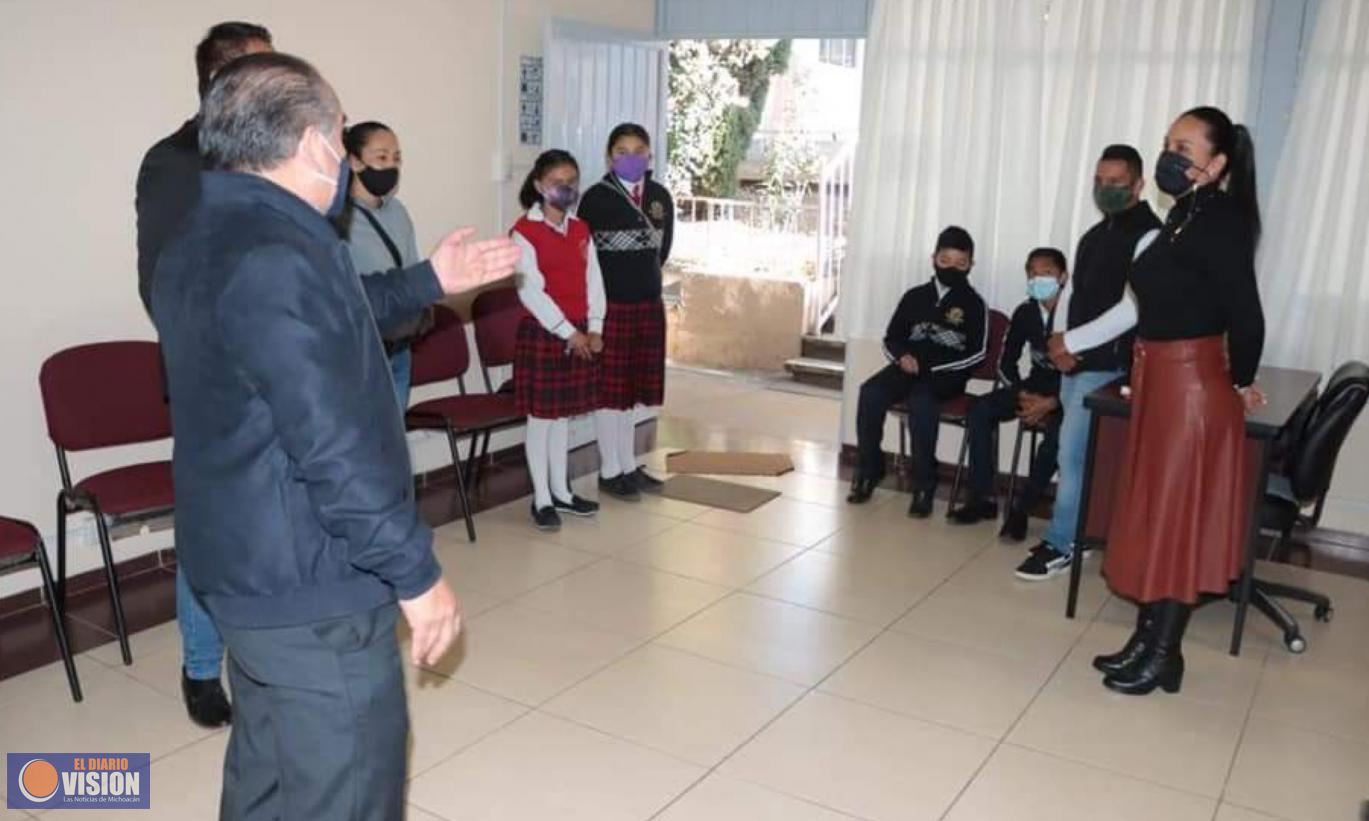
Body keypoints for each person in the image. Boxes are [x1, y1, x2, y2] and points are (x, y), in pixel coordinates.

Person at [152, 52, 520, 819]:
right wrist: (415, 574)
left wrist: (428, 280)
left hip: (245, 566)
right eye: (342, 134)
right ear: (312, 142)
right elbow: (332, 443)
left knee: (267, 772)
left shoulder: (207, 232)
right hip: (309, 582)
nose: (349, 157)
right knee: (346, 790)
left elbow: (329, 312)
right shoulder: (276, 253)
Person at [1083, 107, 1265, 696]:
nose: (1169, 155)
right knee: (1154, 513)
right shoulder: (1185, 214)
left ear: (1217, 162)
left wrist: (1240, 381)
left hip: (1191, 389)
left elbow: (1246, 313)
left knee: (1176, 520)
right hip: (1161, 380)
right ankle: (1147, 641)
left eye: (1183, 148)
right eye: (1168, 143)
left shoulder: (1223, 220)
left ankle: (1164, 653)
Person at [134, 20, 274, 729]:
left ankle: (263, 658)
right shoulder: (174, 162)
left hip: (279, 374)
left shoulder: (269, 156)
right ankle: (199, 665)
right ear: (222, 80)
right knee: (211, 528)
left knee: (269, 525)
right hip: (213, 383)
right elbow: (162, 283)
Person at [1014, 145, 1162, 581]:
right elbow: (1077, 297)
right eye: (1099, 181)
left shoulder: (1150, 236)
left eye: (1116, 183)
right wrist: (1061, 344)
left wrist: (1072, 342)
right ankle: (1074, 535)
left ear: (1138, 185)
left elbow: (1133, 309)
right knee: (1072, 454)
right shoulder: (1095, 236)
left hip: (1110, 366)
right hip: (1077, 363)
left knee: (1075, 457)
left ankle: (1063, 543)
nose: (1105, 189)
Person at [848, 226, 988, 518]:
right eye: (945, 260)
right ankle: (869, 469)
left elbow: (977, 354)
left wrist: (930, 367)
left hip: (945, 377)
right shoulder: (914, 296)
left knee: (921, 402)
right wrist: (901, 357)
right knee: (870, 393)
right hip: (906, 368)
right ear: (933, 258)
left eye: (960, 263)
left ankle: (924, 483)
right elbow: (891, 338)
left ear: (970, 265)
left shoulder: (975, 305)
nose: (951, 268)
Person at [577, 123, 675, 502]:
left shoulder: (659, 197)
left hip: (647, 304)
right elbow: (586, 260)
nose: (630, 158)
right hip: (611, 306)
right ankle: (609, 470)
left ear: (650, 156)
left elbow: (661, 251)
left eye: (638, 151)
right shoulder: (595, 199)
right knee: (610, 392)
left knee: (633, 390)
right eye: (621, 151)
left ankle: (628, 465)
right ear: (609, 157)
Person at [511, 149, 606, 530]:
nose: (565, 188)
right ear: (539, 186)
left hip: (580, 329)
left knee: (562, 417)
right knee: (541, 419)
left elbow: (594, 280)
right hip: (545, 332)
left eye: (571, 182)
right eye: (556, 182)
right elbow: (529, 291)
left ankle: (562, 493)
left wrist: (595, 326)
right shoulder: (524, 232)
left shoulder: (581, 229)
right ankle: (541, 499)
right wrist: (568, 332)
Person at [949, 247, 1066, 541]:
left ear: (1063, 277)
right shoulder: (1025, 312)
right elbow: (1005, 362)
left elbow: (1085, 370)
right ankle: (983, 498)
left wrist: (1052, 402)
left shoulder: (1077, 314)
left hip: (1067, 395)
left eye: (1047, 273)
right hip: (1032, 387)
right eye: (1033, 274)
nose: (1039, 279)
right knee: (980, 410)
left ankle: (1021, 511)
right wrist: (1022, 394)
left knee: (1057, 437)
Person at [340, 121, 428, 411]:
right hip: (361, 352)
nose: (391, 166)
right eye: (381, 157)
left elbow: (411, 267)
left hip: (400, 346)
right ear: (355, 161)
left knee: (396, 431)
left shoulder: (398, 211)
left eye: (396, 158)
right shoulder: (337, 217)